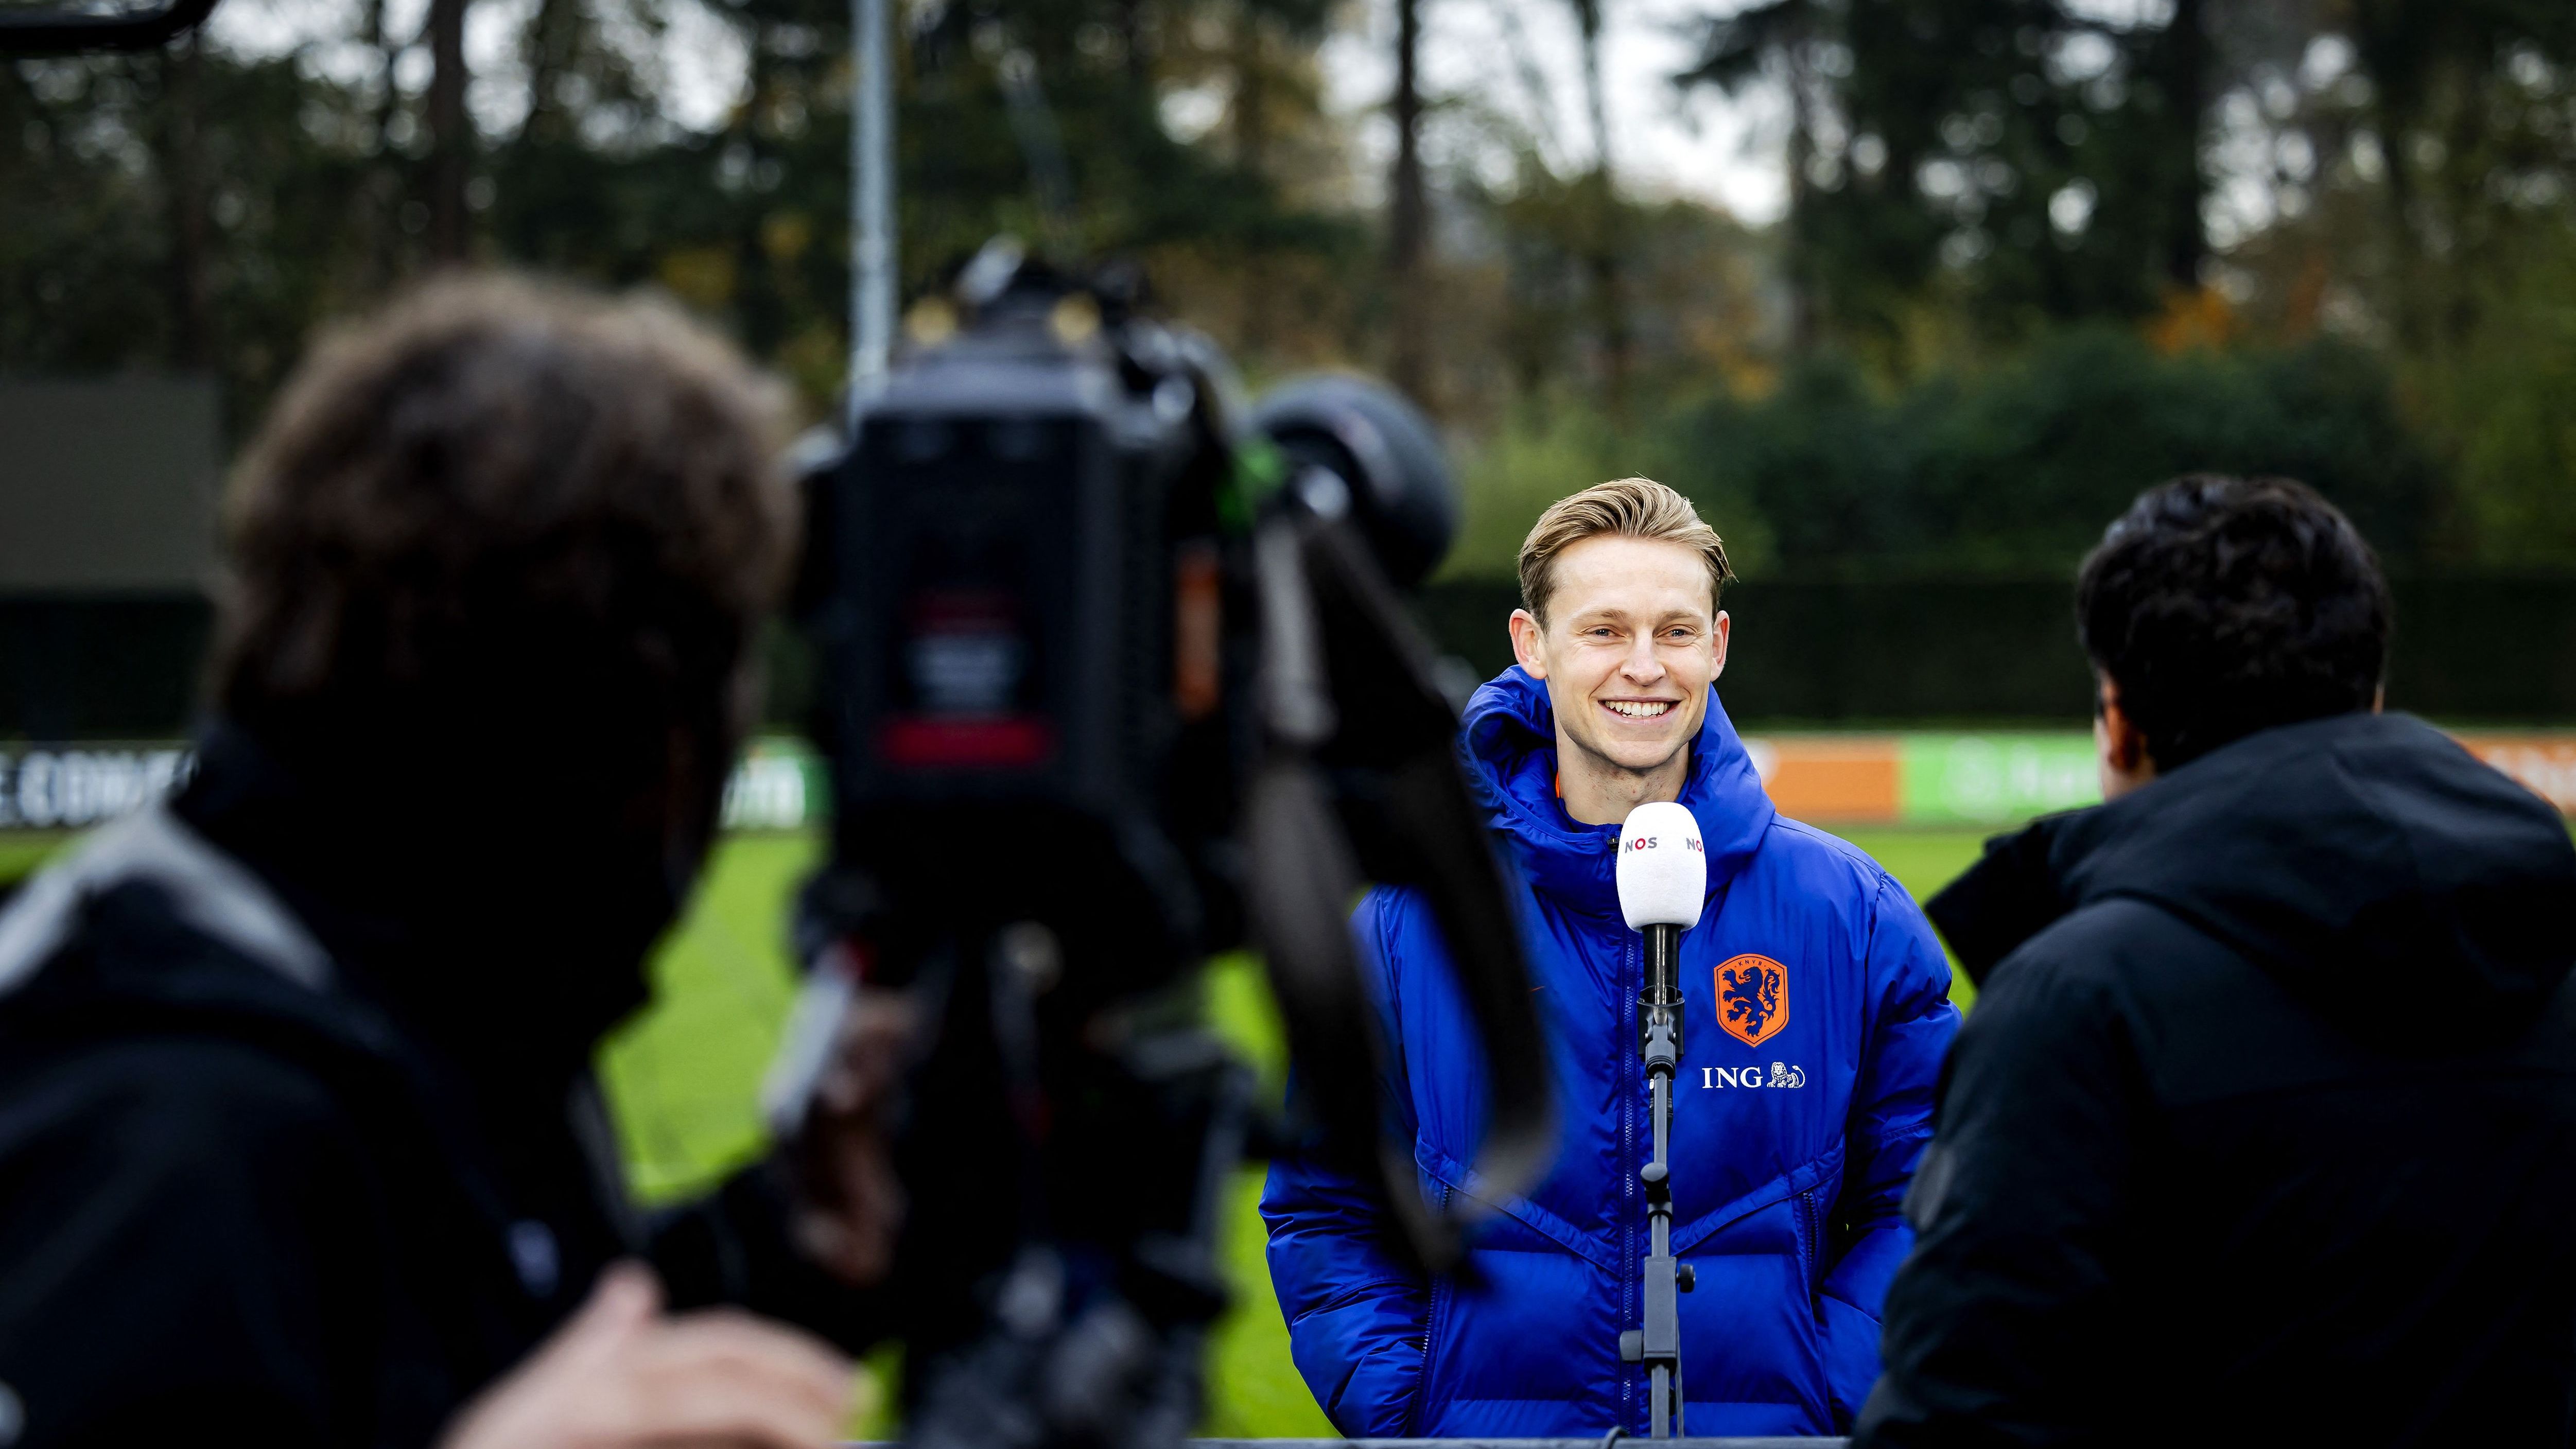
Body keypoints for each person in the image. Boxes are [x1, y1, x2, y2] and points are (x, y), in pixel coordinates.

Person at [0, 277, 904, 1449]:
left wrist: (784, 1249)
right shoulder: (163, 1121)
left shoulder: (411, 987)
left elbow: (440, 1365)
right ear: (635, 746)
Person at [1855, 475, 2576, 1447]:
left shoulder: (2080, 1005)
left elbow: (1962, 1411)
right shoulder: (2551, 946)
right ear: (2368, 697)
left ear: (2118, 720)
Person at [1263, 477, 1960, 1437]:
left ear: (1717, 646)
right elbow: (1325, 1206)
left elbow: (1934, 1198)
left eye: (1676, 632)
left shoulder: (1854, 913)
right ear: (1531, 644)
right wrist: (1410, 1417)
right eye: (1603, 631)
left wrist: (1825, 1406)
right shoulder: (1404, 922)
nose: (1645, 666)